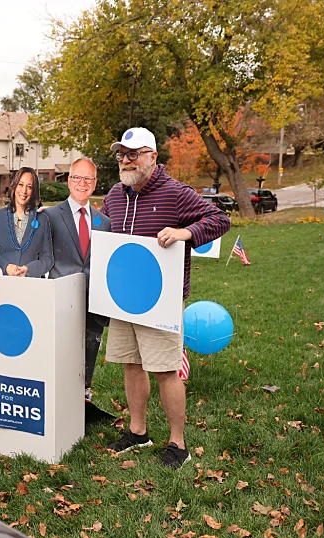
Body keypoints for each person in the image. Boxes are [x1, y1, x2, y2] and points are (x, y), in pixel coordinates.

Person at [100, 127, 230, 468]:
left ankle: (178, 444)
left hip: (160, 301)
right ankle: (138, 432)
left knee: (165, 370)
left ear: (153, 157)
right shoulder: (114, 195)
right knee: (131, 364)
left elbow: (219, 219)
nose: (126, 161)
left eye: (133, 154)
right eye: (121, 155)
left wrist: (185, 232)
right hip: (121, 299)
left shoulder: (175, 193)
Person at [43, 158, 111, 403]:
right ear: (69, 181)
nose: (82, 183)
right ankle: (58, 398)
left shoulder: (104, 222)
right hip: (61, 300)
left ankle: (84, 396)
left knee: (88, 353)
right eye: (77, 177)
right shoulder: (49, 215)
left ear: (95, 183)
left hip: (93, 302)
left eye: (88, 178)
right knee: (61, 353)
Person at [0, 167, 53, 278]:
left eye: (29, 187)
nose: (24, 191)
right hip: (6, 282)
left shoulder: (42, 219)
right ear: (14, 186)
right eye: (21, 185)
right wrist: (6, 266)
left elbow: (48, 259)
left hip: (32, 282)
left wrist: (29, 269)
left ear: (34, 191)